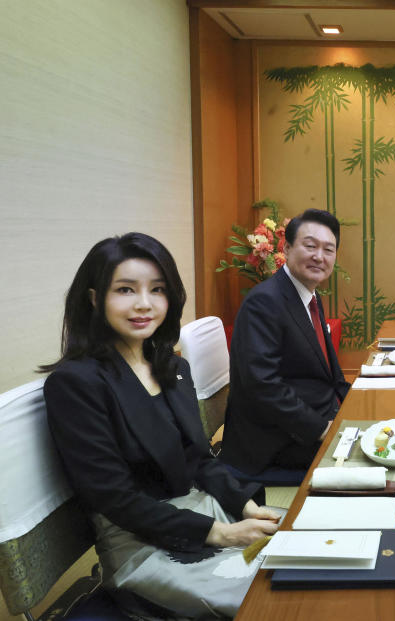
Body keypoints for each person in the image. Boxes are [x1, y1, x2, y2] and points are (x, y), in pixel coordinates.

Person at [42, 233, 280, 618]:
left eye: (157, 290)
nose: (144, 304)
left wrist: (247, 508)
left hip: (202, 509)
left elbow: (202, 460)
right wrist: (219, 534)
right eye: (125, 289)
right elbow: (114, 499)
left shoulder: (172, 367)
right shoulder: (75, 384)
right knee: (272, 602)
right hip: (139, 541)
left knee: (311, 555)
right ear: (93, 298)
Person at [220, 209, 350, 474]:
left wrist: (353, 403)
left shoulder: (309, 295)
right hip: (276, 441)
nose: (319, 256)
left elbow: (327, 372)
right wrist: (321, 429)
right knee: (377, 462)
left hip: (314, 417)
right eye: (310, 246)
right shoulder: (264, 302)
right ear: (287, 248)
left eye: (329, 249)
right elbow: (262, 386)